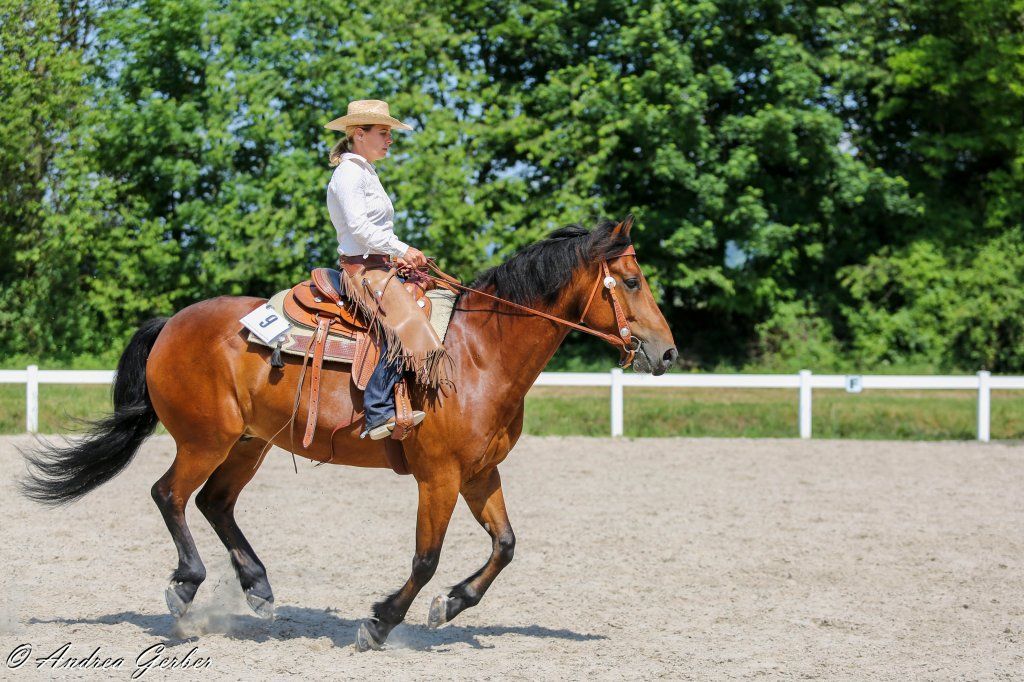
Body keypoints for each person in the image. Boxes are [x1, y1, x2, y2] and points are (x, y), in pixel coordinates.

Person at [325, 99, 449, 440]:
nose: (389, 139)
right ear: (358, 134)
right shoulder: (349, 174)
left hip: (380, 265)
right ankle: (379, 410)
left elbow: (373, 231)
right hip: (363, 271)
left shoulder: (365, 171)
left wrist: (396, 255)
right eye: (383, 132)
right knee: (403, 327)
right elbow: (360, 228)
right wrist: (402, 249)